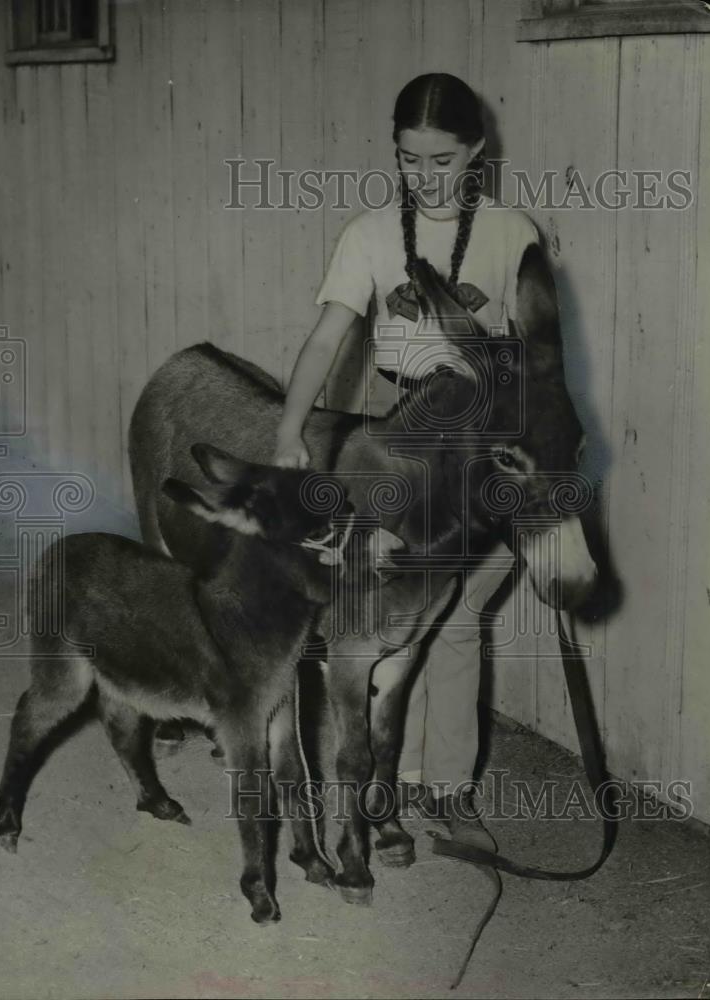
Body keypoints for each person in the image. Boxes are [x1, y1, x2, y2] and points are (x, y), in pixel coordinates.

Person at [273, 73, 544, 851]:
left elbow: (538, 361)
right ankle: (386, 783)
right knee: (395, 614)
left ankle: (447, 789)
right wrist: (290, 430)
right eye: (408, 159)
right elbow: (326, 337)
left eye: (442, 159)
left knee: (459, 615)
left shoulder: (510, 230)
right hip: (401, 434)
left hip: (483, 443)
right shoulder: (366, 233)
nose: (424, 177)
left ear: (477, 153)